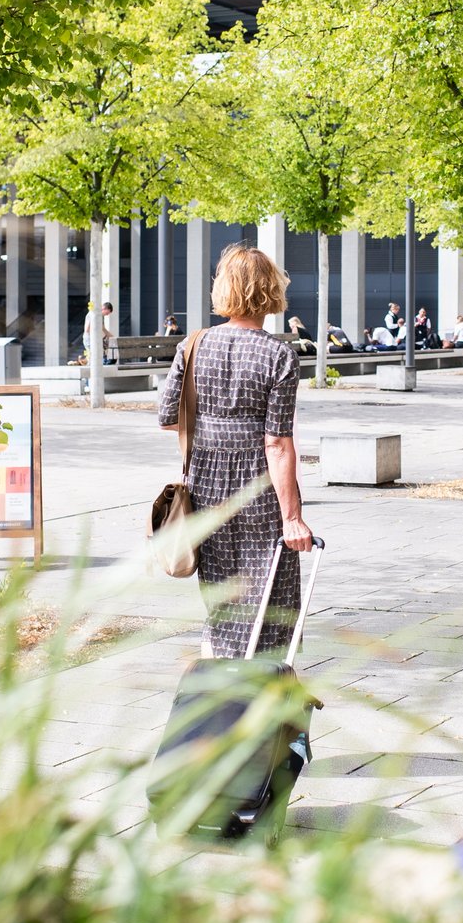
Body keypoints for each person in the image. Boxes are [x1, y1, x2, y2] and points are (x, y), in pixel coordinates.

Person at [158, 245, 313, 659]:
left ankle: (217, 678)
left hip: (206, 480)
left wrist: (212, 425)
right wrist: (293, 518)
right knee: (271, 589)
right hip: (259, 485)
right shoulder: (279, 355)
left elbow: (168, 418)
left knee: (222, 592)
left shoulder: (193, 345)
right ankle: (266, 686)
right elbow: (277, 443)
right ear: (269, 291)